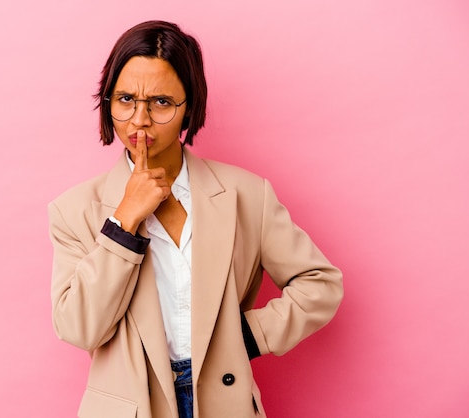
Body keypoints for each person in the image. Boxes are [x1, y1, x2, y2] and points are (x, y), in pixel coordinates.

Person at [48, 20, 343, 418]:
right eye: (125, 99)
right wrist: (123, 223)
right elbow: (79, 327)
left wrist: (248, 336)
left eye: (161, 102)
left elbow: (319, 284)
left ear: (190, 106)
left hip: (224, 399)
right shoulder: (74, 210)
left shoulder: (246, 195)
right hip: (131, 406)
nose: (140, 120)